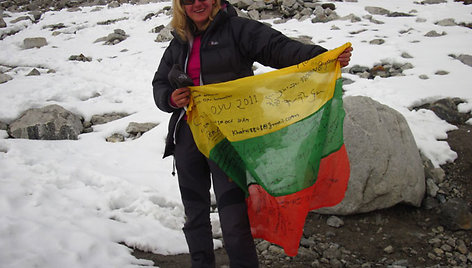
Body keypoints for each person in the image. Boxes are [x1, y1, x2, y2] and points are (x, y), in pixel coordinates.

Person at [152, 0, 353, 267]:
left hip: (229, 139)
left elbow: (278, 48)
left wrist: (322, 57)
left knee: (234, 220)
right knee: (195, 216)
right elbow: (160, 82)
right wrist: (169, 98)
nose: (197, 4)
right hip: (188, 137)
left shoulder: (237, 29)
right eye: (188, 0)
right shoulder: (179, 40)